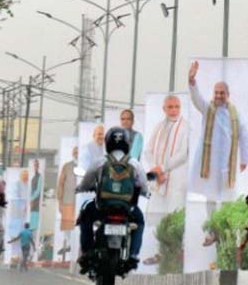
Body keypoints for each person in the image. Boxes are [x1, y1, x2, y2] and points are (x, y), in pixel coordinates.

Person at [188, 61, 248, 246]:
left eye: (221, 93)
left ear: (227, 95)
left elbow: (244, 134)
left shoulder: (235, 113)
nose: (218, 95)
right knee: (209, 198)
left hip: (226, 165)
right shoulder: (207, 108)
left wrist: (244, 159)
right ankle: (212, 231)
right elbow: (196, 99)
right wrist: (192, 81)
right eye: (216, 92)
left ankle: (224, 230)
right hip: (209, 163)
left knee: (226, 199)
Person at [76, 127, 148, 274]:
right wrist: (146, 193)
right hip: (126, 208)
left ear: (108, 142)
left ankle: (87, 252)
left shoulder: (100, 161)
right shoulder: (134, 163)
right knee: (139, 221)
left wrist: (81, 188)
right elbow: (143, 185)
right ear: (127, 143)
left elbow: (86, 182)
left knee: (85, 215)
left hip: (103, 207)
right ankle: (133, 254)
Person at [142, 94, 188, 265]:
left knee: (175, 217)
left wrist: (162, 168)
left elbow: (183, 154)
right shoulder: (159, 127)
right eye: (170, 107)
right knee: (159, 218)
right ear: (164, 109)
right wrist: (156, 169)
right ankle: (160, 253)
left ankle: (175, 255)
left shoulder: (185, 127)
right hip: (159, 181)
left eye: (176, 107)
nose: (174, 110)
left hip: (176, 180)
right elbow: (148, 151)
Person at [56, 146, 78, 258]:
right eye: (75, 152)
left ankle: (78, 247)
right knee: (67, 224)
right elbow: (60, 183)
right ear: (72, 153)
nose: (76, 154)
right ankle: (69, 244)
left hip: (80, 201)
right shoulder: (67, 166)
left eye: (78, 152)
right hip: (68, 200)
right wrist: (60, 200)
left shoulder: (85, 165)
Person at [29, 159, 43, 233]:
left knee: (34, 223)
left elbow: (38, 191)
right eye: (34, 165)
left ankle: (34, 237)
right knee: (31, 221)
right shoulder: (33, 177)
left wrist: (32, 199)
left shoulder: (40, 177)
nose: (35, 167)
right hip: (32, 201)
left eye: (37, 165)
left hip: (36, 201)